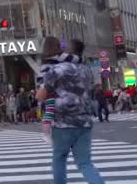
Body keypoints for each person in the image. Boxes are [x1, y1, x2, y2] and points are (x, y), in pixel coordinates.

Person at [43, 39, 104, 184]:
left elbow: (43, 94)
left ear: (69, 51)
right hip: (84, 121)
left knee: (59, 158)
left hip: (63, 122)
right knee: (85, 163)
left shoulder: (57, 69)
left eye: (65, 47)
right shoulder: (86, 70)